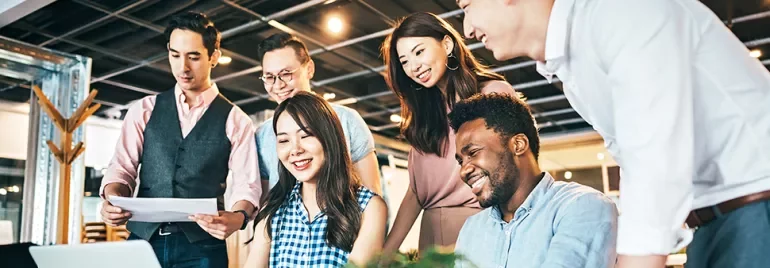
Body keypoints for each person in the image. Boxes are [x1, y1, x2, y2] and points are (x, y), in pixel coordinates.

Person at [455, 0, 770, 267]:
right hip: (713, 222)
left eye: (467, 6)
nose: (467, 29)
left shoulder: (619, 11)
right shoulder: (572, 64)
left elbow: (655, 154)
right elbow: (632, 162)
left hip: (756, 207)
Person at [98, 12, 261, 268]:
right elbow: (121, 168)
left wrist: (238, 217)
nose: (183, 67)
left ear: (214, 56)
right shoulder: (144, 109)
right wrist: (112, 199)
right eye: (175, 55)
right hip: (143, 242)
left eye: (194, 56)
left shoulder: (236, 120)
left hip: (204, 248)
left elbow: (246, 185)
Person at [380, 12, 516, 253]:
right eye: (404, 61)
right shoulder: (422, 118)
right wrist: (385, 254)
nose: (414, 66)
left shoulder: (492, 94)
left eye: (419, 52)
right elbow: (415, 193)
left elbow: (517, 170)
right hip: (430, 239)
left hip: (483, 232)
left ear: (447, 43)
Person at [449, 92, 618, 267]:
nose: (464, 171)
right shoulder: (472, 229)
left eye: (473, 153)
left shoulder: (582, 206)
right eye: (461, 161)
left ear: (518, 145)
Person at [244, 91, 388, 267]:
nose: (295, 149)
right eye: (284, 140)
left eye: (306, 135)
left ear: (330, 138)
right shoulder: (274, 210)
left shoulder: (369, 208)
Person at [254, 33, 382, 197]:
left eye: (286, 73)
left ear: (309, 69)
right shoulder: (263, 134)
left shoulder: (346, 120)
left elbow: (372, 192)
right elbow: (266, 200)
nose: (278, 85)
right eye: (269, 77)